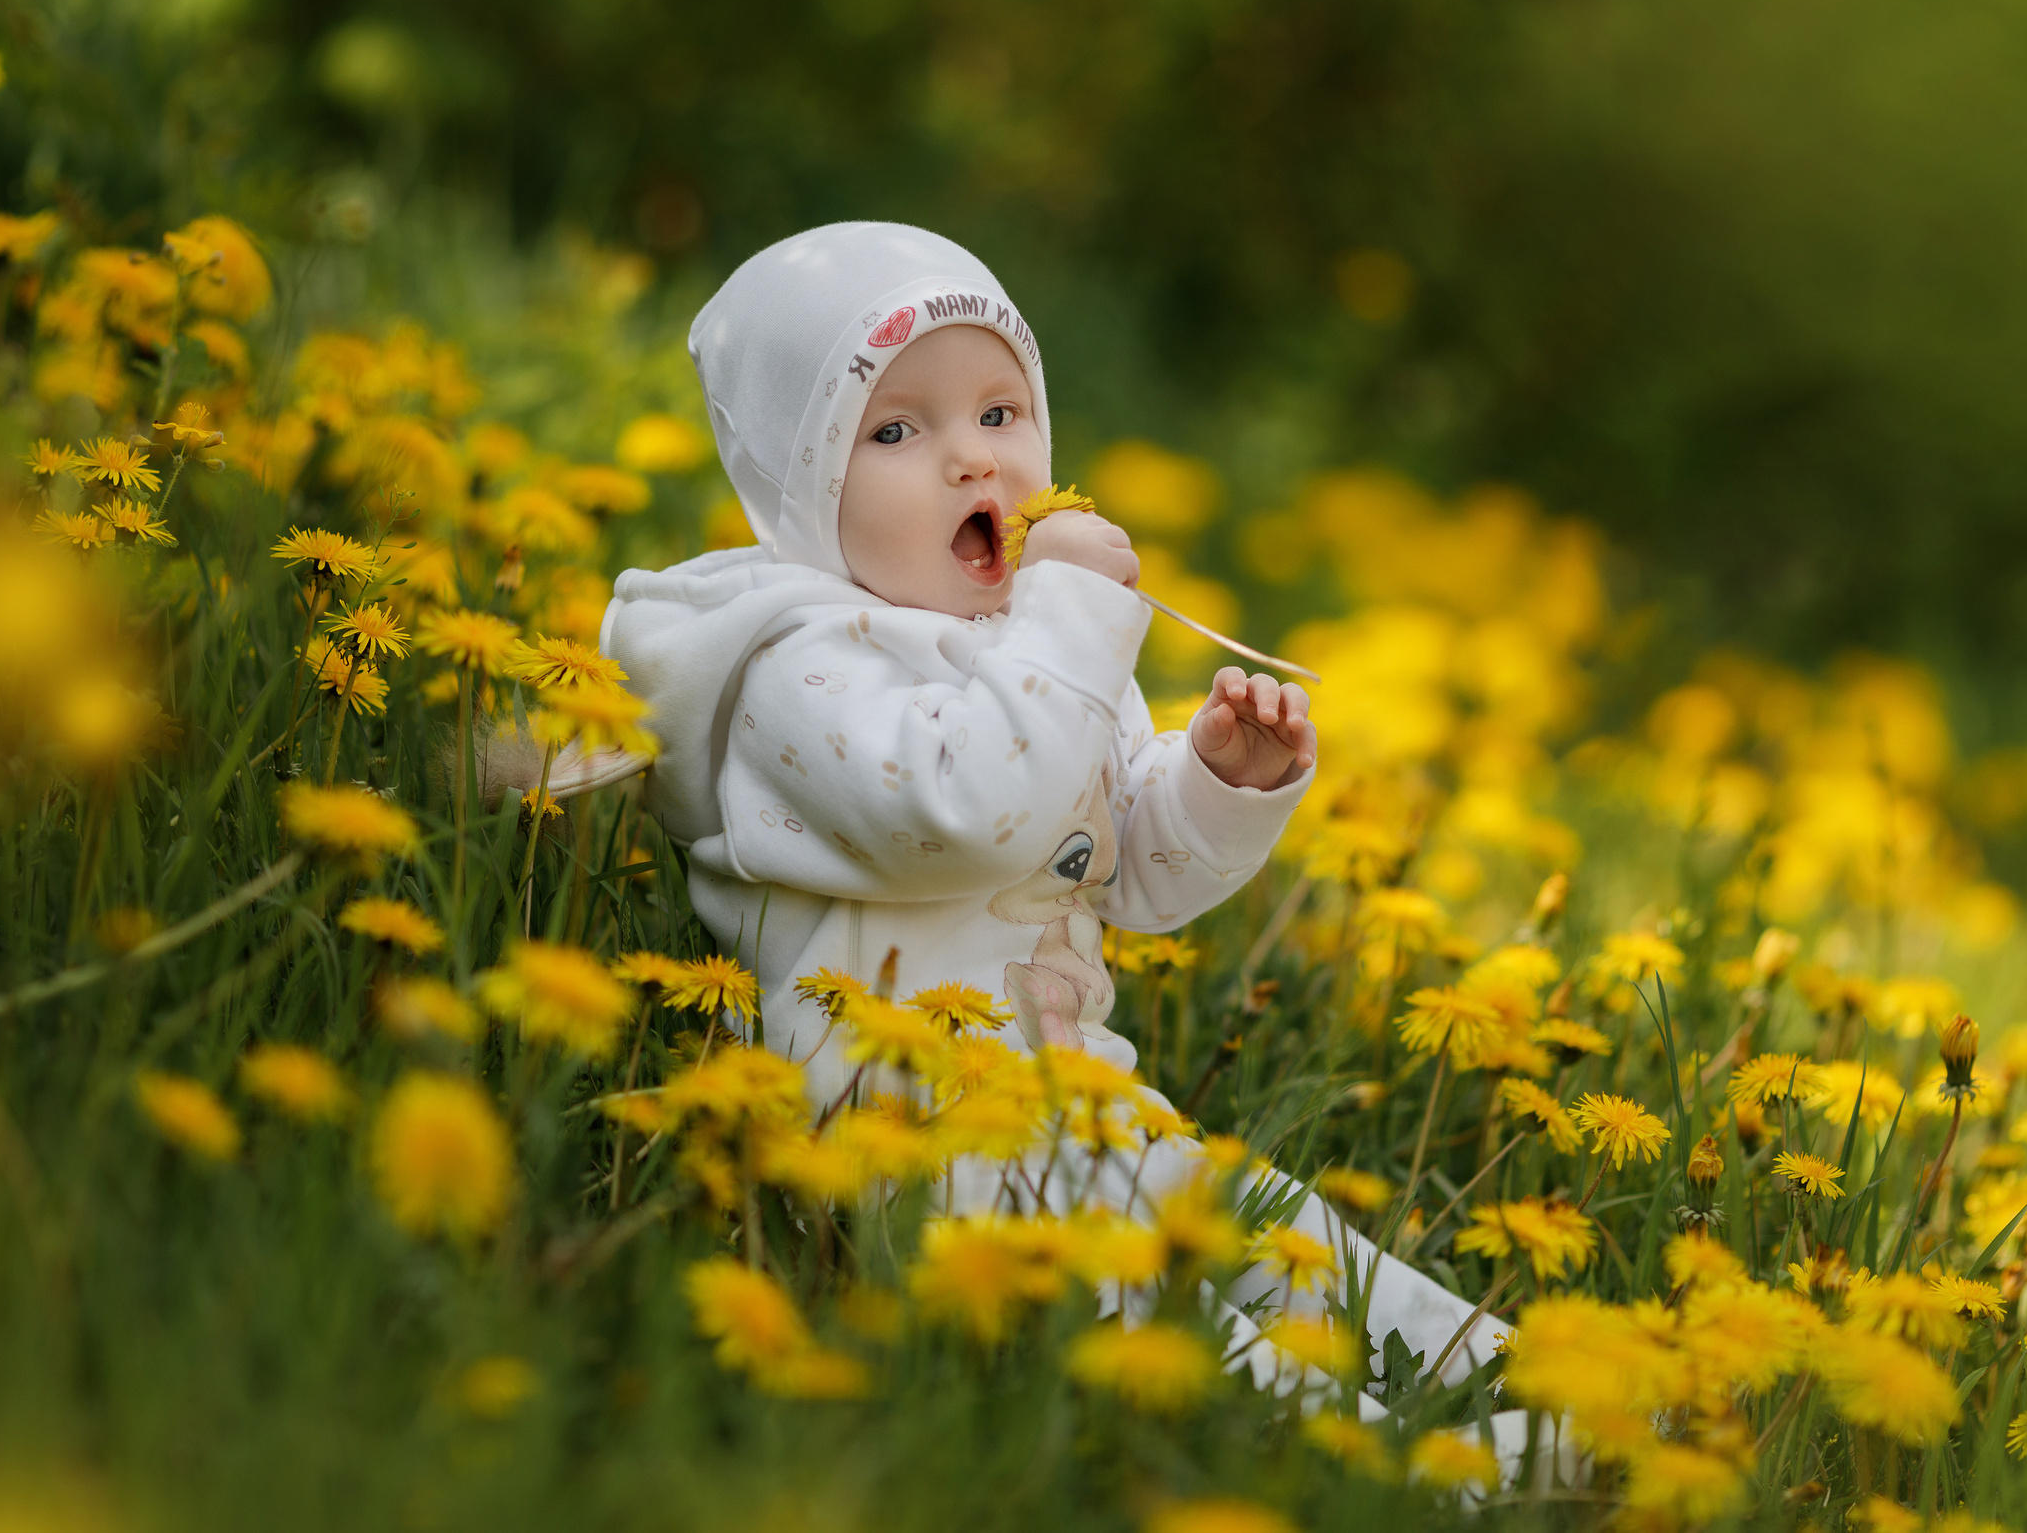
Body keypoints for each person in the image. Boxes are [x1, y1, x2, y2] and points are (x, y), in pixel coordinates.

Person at [597, 222, 1551, 1470]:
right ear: (798, 481)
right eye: (893, 432)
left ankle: (1524, 1383)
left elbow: (1118, 873)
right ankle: (1441, 1475)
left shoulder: (1028, 651)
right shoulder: (802, 669)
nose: (966, 462)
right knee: (1186, 1343)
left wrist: (1211, 781)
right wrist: (1074, 616)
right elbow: (964, 814)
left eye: (999, 413)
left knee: (1275, 1234)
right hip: (913, 1149)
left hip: (1076, 1105)